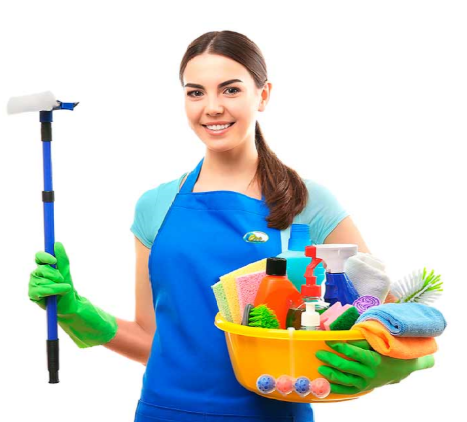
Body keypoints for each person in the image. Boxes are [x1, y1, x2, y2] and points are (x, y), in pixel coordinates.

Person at [28, 30, 432, 422]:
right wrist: (75, 311)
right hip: (162, 413)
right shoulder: (155, 206)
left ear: (263, 95)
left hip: (271, 414)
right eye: (195, 92)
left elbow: (390, 315)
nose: (212, 107)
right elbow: (152, 339)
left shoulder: (307, 202)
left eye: (230, 90)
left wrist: (394, 365)